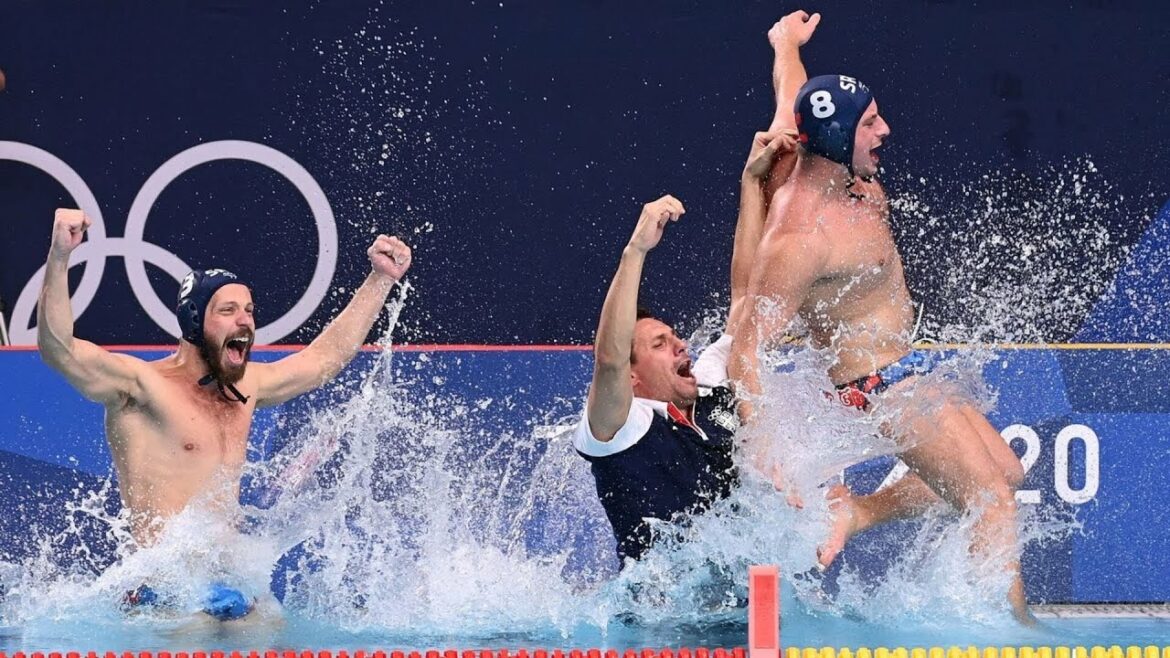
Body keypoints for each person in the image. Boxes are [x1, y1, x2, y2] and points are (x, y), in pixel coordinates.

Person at [728, 11, 1029, 622]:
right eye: (869, 124)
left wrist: (784, 45)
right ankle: (1008, 635)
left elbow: (792, 99)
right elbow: (745, 346)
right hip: (877, 387)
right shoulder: (801, 234)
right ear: (837, 137)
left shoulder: (824, 154)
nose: (884, 131)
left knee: (1007, 470)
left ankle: (860, 511)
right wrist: (764, 445)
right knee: (991, 498)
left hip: (907, 369)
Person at [36, 208, 412, 620]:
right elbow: (60, 350)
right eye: (229, 310)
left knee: (271, 621)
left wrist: (381, 280)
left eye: (249, 310)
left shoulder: (246, 388)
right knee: (194, 628)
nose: (246, 321)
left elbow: (323, 360)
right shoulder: (140, 387)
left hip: (233, 586)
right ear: (195, 321)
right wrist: (59, 256)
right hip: (167, 593)